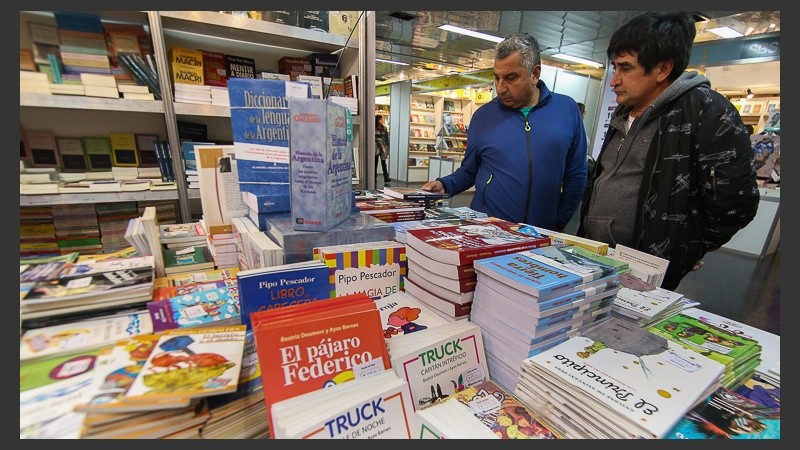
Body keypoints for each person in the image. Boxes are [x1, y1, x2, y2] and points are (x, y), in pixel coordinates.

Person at [579, 11, 759, 291]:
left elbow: (736, 202)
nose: (614, 80)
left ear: (662, 69)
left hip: (646, 272)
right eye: (614, 67)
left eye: (625, 69)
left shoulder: (707, 111)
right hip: (595, 256)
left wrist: (685, 249)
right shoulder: (625, 112)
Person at [420, 32, 587, 231]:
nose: (500, 88)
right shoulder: (484, 116)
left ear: (534, 74)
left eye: (510, 78)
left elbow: (576, 175)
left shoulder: (566, 110)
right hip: (488, 231)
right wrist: (445, 185)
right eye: (496, 77)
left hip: (540, 234)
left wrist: (557, 224)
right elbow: (469, 171)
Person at [374, 115, 391, 185]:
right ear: (377, 120)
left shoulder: (384, 128)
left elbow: (386, 139)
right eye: (381, 119)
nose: (382, 120)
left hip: (383, 147)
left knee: (384, 163)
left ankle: (386, 177)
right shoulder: (373, 128)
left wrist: (388, 148)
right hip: (375, 147)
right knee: (375, 163)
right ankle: (374, 177)